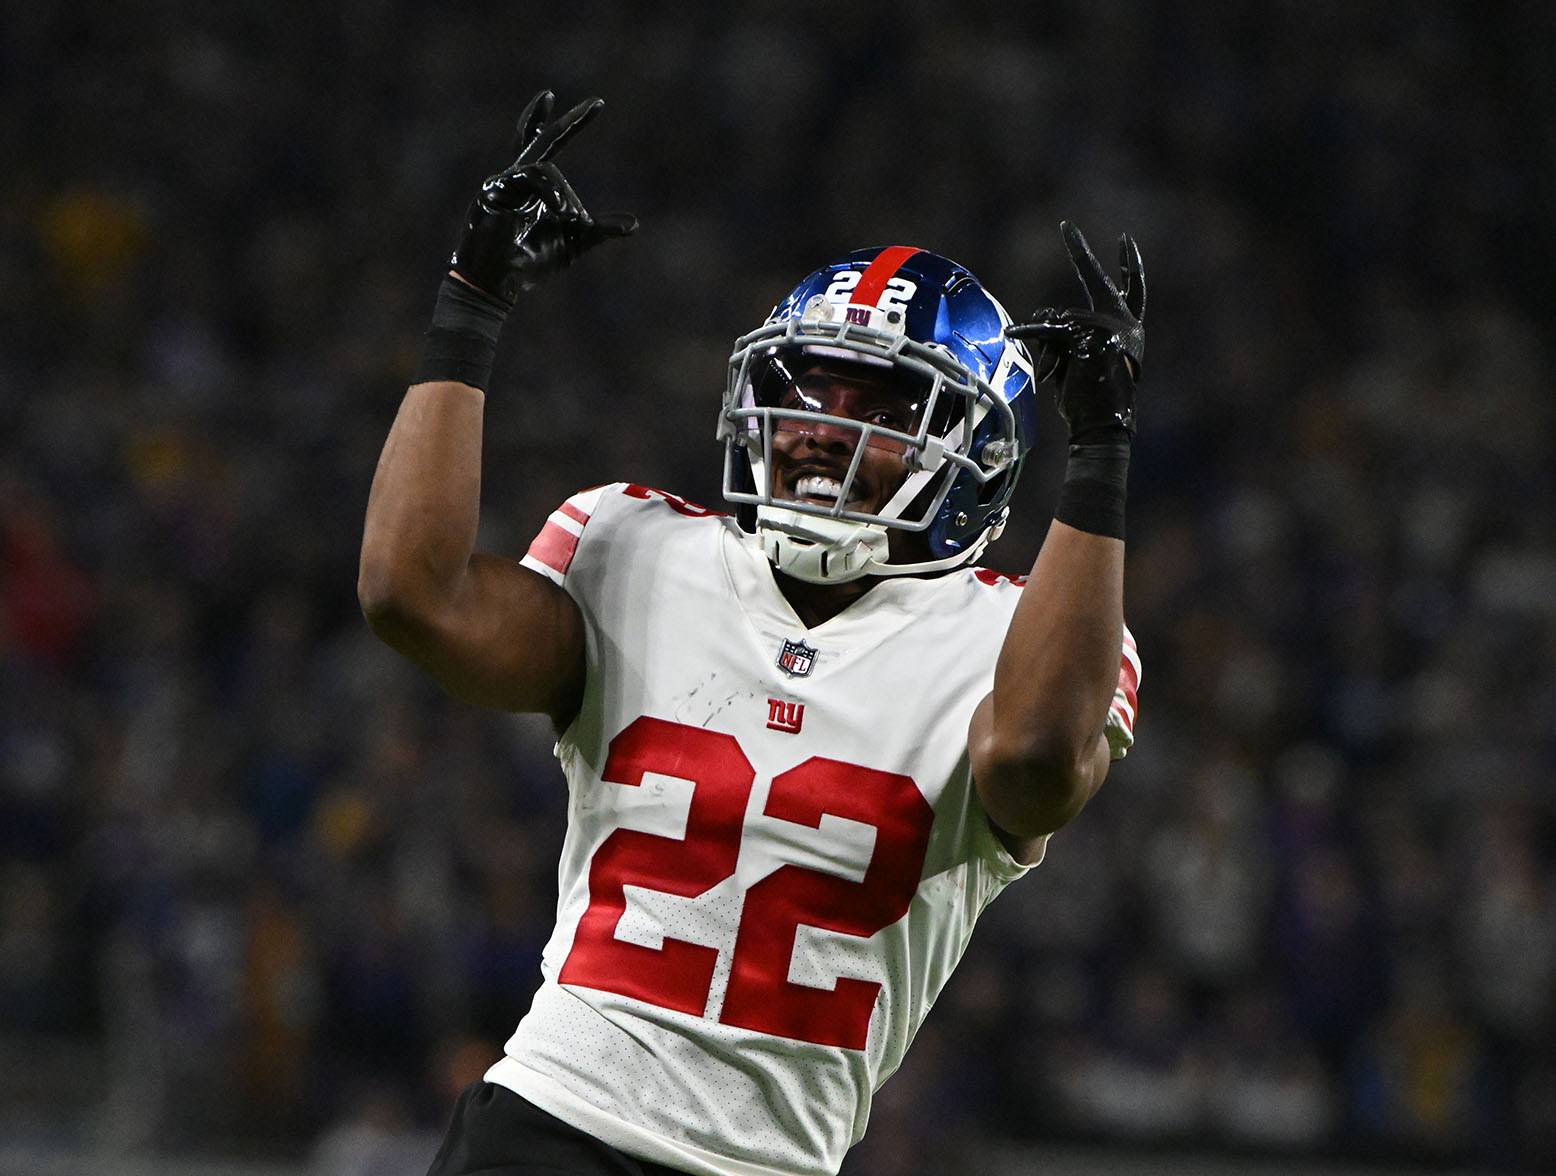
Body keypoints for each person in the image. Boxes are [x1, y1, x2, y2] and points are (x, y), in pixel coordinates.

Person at [358, 90, 1146, 1176]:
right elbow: (411, 595)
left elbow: (1033, 767)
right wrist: (468, 305)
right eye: (807, 389)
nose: (820, 430)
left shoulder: (1016, 634)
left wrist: (1099, 452)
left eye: (872, 403)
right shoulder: (637, 543)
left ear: (971, 455)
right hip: (551, 1124)